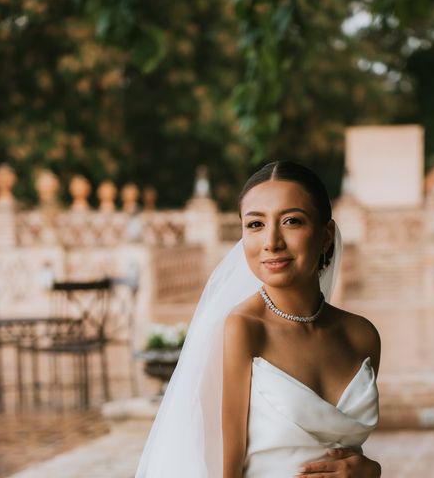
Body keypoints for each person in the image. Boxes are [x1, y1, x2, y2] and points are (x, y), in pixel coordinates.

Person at [136, 160, 382, 477]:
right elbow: (224, 470)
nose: (271, 242)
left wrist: (371, 470)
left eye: (292, 221)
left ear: (326, 235)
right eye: (255, 225)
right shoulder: (242, 329)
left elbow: (350, 455)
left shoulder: (362, 335)